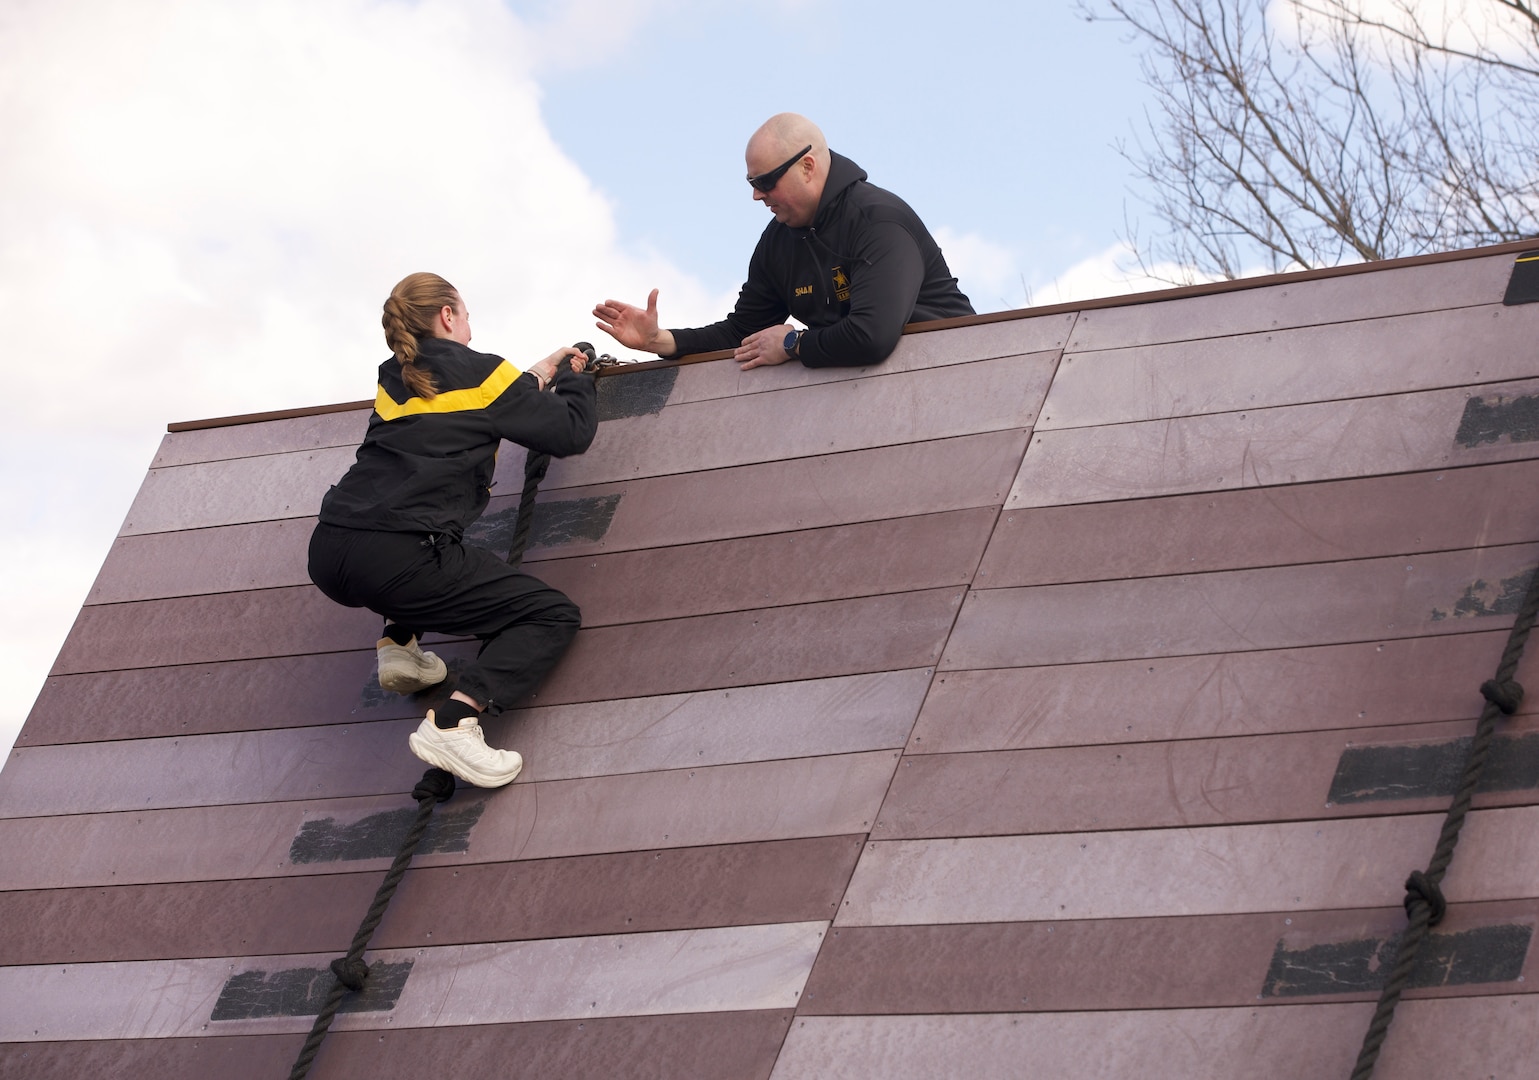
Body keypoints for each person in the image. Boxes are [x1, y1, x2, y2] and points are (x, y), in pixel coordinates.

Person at [308, 272, 597, 788]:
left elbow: (471, 405)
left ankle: (399, 645)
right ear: (447, 315)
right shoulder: (483, 375)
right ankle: (454, 720)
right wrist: (577, 377)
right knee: (550, 615)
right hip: (398, 557)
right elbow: (568, 432)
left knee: (437, 546)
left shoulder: (396, 377)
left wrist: (534, 373)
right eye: (464, 314)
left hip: (331, 550)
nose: (469, 325)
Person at [594, 113, 973, 371]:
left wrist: (794, 345)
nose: (758, 196)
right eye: (751, 183)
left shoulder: (878, 221)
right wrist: (661, 340)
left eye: (765, 181)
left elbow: (872, 336)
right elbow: (743, 333)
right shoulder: (777, 242)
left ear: (807, 167)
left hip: (962, 374)